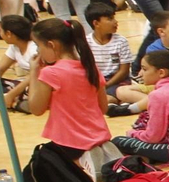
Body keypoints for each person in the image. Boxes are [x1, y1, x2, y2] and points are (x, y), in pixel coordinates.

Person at [25, 16, 111, 161]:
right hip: (100, 139)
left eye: (38, 46)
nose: (38, 51)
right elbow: (103, 108)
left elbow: (36, 109)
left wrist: (34, 73)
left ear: (51, 45)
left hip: (69, 144)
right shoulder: (91, 67)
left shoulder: (51, 73)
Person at [86, 3, 133, 93]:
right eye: (110, 19)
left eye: (114, 18)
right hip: (97, 79)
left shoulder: (121, 41)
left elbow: (124, 71)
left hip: (117, 80)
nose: (115, 22)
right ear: (96, 23)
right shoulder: (86, 42)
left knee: (120, 93)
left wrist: (106, 85)